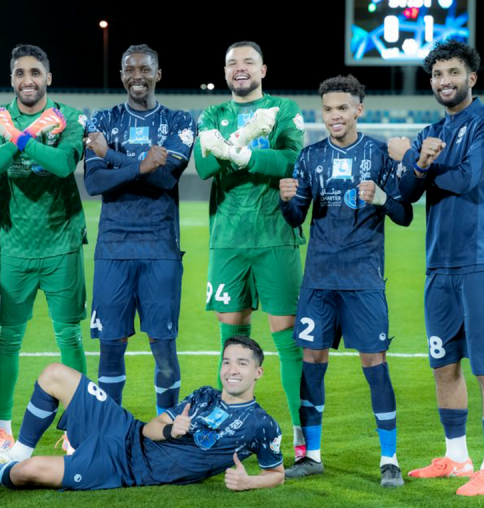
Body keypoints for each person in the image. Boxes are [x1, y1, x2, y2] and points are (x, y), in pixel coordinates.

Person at [387, 40, 484, 497]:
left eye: (454, 72)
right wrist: (416, 164)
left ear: (471, 78)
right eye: (438, 74)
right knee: (444, 365)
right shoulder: (430, 131)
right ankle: (457, 458)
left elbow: (464, 179)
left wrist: (414, 159)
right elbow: (405, 195)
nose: (445, 81)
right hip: (439, 264)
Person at [0, 336, 284, 492]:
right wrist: (171, 429)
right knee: (54, 374)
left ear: (258, 372)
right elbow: (150, 429)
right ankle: (15, 451)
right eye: (227, 361)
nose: (231, 370)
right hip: (125, 429)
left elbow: (276, 473)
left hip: (126, 468)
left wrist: (249, 482)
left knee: (29, 472)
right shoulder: (205, 395)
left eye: (242, 363)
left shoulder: (262, 425)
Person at [279, 75, 413, 487]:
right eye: (328, 109)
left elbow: (405, 214)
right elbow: (296, 218)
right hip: (319, 280)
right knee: (312, 363)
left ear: (359, 110)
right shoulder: (310, 156)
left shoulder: (379, 154)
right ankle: (311, 456)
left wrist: (381, 198)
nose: (334, 115)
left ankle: (389, 459)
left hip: (363, 280)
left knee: (375, 364)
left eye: (342, 108)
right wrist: (288, 200)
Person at [193, 41, 306, 459]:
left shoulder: (284, 109)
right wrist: (245, 140)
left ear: (263, 69)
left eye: (248, 62)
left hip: (276, 235)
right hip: (228, 240)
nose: (239, 68)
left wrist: (235, 154)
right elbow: (204, 166)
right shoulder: (212, 114)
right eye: (232, 63)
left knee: (288, 340)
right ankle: (229, 430)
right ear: (225, 72)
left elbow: (292, 160)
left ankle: (303, 436)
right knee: (233, 344)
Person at [0, 44, 88, 453]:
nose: (28, 80)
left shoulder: (70, 117)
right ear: (12, 79)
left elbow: (63, 166)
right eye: (20, 73)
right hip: (14, 245)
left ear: (48, 78)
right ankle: (2, 428)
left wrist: (18, 136)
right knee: (8, 338)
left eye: (35, 72)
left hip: (62, 242)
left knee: (69, 336)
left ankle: (77, 427)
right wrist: (24, 134)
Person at [83, 44, 194, 414]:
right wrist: (142, 164)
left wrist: (112, 156)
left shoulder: (180, 121)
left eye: (145, 69)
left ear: (157, 74)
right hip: (113, 249)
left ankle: (167, 425)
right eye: (130, 69)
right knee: (111, 347)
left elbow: (164, 179)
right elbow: (94, 183)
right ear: (121, 75)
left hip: (160, 249)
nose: (137, 76)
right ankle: (111, 428)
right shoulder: (102, 120)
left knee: (163, 348)